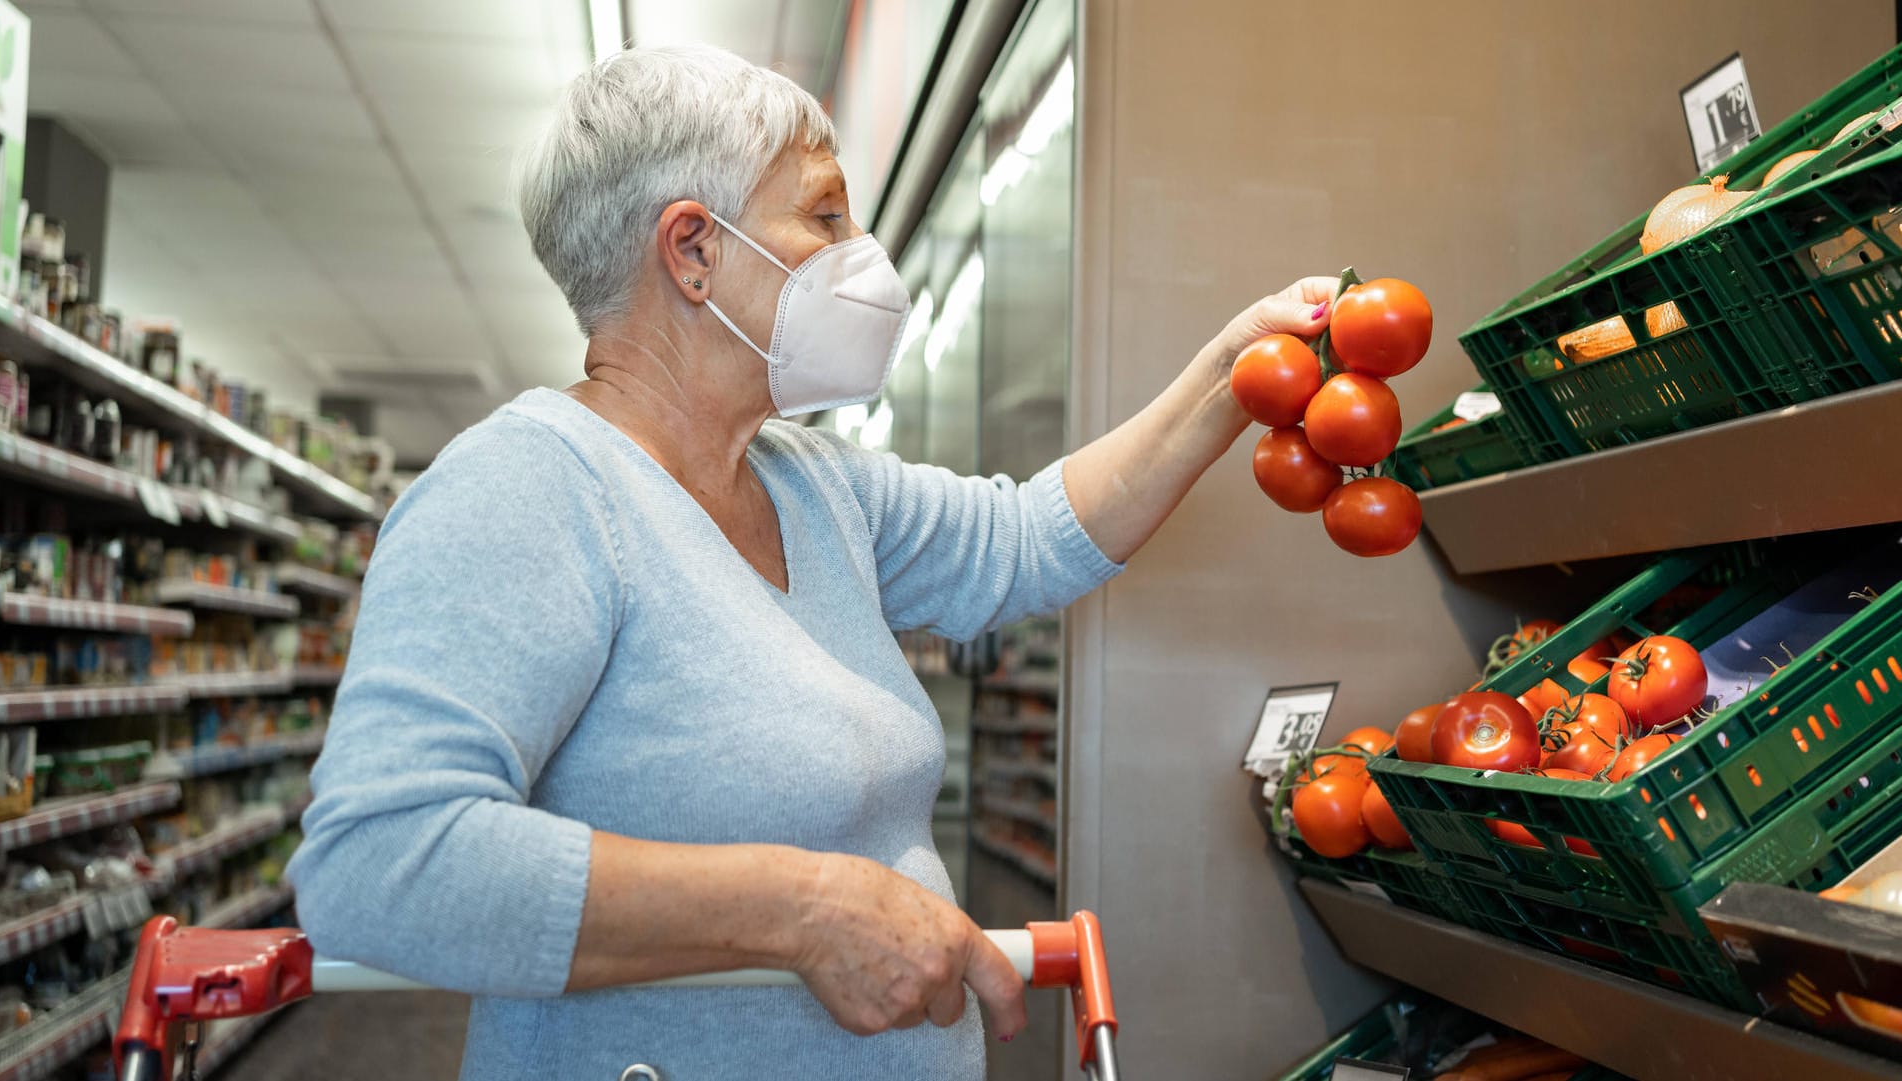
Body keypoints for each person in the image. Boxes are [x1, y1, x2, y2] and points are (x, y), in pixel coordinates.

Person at [286, 43, 1334, 1081]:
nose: (858, 251)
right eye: (825, 216)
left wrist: (1232, 378)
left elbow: (1026, 538)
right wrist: (801, 910)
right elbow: (381, 861)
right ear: (693, 250)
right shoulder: (528, 490)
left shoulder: (812, 481)